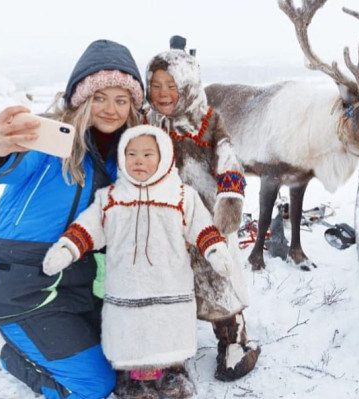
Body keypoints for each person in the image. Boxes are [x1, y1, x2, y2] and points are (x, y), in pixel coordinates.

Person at [0, 39, 144, 398]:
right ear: (80, 99)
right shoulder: (48, 143)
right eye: (99, 97)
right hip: (22, 286)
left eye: (121, 100)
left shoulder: (128, 158)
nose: (111, 109)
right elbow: (1, 164)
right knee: (92, 386)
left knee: (125, 359)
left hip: (80, 285)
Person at [42, 125, 238, 398]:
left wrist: (215, 251)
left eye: (148, 154)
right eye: (132, 154)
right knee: (131, 337)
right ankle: (133, 379)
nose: (139, 160)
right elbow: (88, 228)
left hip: (170, 285)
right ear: (122, 157)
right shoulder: (111, 198)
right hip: (127, 288)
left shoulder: (181, 196)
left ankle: (173, 372)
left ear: (165, 157)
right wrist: (66, 249)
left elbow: (202, 228)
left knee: (167, 335)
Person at [144, 47, 260, 381]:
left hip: (207, 220)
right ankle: (170, 345)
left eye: (172, 84)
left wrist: (229, 203)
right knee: (171, 283)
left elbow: (228, 161)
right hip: (164, 219)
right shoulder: (148, 121)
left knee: (217, 281)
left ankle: (233, 339)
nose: (163, 93)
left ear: (189, 85)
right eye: (156, 84)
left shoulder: (208, 121)